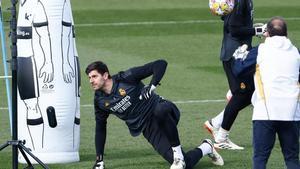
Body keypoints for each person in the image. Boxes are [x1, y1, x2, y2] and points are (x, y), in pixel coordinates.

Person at [85, 59, 224, 169]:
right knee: (185, 165)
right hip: (148, 128)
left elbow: (160, 64)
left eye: (94, 76)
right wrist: (99, 159)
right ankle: (207, 147)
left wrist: (152, 85)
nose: (91, 80)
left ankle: (178, 156)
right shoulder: (100, 101)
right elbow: (100, 128)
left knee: (160, 110)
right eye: (89, 77)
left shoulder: (126, 78)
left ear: (105, 75)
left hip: (164, 110)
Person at [232, 16, 300, 169]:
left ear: (267, 33)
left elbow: (239, 71)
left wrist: (238, 56)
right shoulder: (296, 52)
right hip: (292, 113)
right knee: (292, 158)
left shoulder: (260, 50)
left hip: (265, 113)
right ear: (286, 34)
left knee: (260, 159)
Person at [204, 0, 267, 150]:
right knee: (242, 94)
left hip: (240, 54)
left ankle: (216, 123)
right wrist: (257, 31)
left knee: (253, 92)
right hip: (235, 56)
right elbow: (234, 29)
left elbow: (228, 20)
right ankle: (221, 138)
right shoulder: (241, 1)